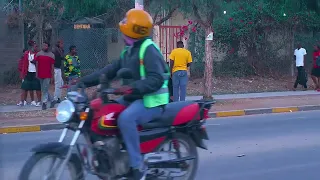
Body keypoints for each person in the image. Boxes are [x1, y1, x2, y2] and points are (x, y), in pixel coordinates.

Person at [78, 9, 169, 180]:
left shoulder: (149, 50)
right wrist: (82, 82)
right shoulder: (129, 50)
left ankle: (137, 167)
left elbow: (156, 79)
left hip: (152, 101)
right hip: (134, 98)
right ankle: (110, 155)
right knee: (102, 112)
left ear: (133, 31)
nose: (121, 33)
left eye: (124, 29)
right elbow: (109, 71)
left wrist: (131, 88)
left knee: (125, 119)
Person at [17, 41, 41, 106]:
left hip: (35, 73)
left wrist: (35, 62)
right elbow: (23, 63)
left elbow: (40, 63)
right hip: (27, 72)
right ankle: (23, 101)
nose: (36, 47)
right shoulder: (26, 54)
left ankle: (39, 101)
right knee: (24, 87)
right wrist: (23, 72)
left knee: (37, 87)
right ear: (31, 47)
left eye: (37, 46)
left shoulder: (38, 54)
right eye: (35, 46)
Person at [35, 42, 55, 110]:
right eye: (43, 45)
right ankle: (52, 100)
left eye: (46, 46)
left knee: (45, 89)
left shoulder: (51, 55)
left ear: (48, 47)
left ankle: (44, 103)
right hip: (40, 74)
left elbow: (52, 67)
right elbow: (37, 65)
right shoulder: (38, 54)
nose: (44, 47)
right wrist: (36, 73)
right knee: (44, 89)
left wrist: (52, 76)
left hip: (48, 75)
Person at [50, 40, 64, 108]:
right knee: (58, 84)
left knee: (61, 83)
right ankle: (55, 99)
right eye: (61, 43)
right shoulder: (55, 51)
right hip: (55, 69)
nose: (62, 44)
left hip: (58, 68)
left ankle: (58, 98)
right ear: (58, 44)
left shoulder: (60, 50)